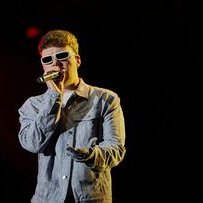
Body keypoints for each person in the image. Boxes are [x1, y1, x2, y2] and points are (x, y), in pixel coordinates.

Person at [18, 29, 126, 203]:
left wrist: (90, 155)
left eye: (62, 56)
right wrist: (54, 95)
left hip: (91, 198)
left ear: (77, 60)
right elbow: (32, 144)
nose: (55, 65)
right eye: (47, 60)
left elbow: (116, 150)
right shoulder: (33, 105)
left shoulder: (106, 100)